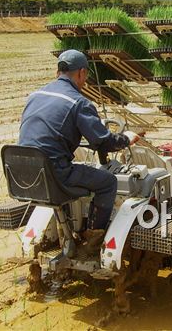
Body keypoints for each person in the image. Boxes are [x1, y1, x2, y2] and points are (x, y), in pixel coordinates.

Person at [18, 49, 140, 243]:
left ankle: (66, 235)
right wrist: (125, 139)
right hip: (55, 173)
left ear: (58, 72)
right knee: (108, 182)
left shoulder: (35, 95)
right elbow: (103, 141)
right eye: (85, 76)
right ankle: (92, 238)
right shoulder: (78, 102)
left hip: (24, 173)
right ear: (82, 73)